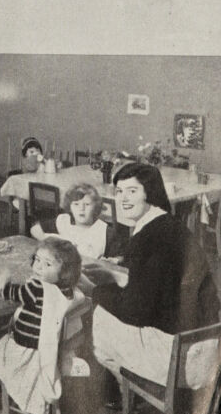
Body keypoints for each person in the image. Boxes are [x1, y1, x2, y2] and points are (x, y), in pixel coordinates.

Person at [92, 161, 219, 391]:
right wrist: (120, 272)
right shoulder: (170, 226)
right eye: (119, 192)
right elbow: (160, 281)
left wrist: (95, 291)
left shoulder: (148, 238)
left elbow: (136, 312)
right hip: (208, 345)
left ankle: (129, 389)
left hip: (182, 360)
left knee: (99, 316)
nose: (123, 199)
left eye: (132, 191)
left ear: (150, 193)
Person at [0, 236, 84, 414]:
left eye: (47, 264)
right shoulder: (68, 290)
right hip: (51, 349)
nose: (38, 267)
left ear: (65, 271)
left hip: (25, 350)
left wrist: (2, 284)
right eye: (37, 260)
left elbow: (12, 293)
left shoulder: (37, 288)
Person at [30, 182, 128, 260]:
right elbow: (35, 229)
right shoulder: (64, 221)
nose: (81, 209)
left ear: (96, 207)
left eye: (87, 204)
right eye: (76, 204)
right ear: (70, 206)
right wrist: (48, 242)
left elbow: (122, 256)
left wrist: (115, 260)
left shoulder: (105, 231)